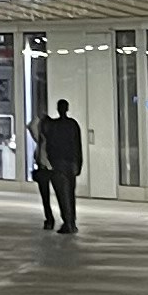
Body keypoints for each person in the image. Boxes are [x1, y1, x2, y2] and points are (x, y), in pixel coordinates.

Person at [34, 95, 84, 236]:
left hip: (59, 164)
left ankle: (68, 222)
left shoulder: (54, 126)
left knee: (63, 195)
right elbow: (78, 146)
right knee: (70, 194)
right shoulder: (72, 124)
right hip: (71, 163)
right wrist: (79, 163)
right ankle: (71, 222)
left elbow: (47, 141)